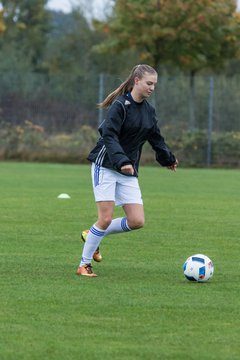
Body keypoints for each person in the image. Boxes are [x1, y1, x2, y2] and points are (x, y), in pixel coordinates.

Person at [76, 64, 178, 277]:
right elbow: (108, 135)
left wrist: (167, 158)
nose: (152, 88)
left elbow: (155, 137)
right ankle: (84, 265)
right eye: (149, 83)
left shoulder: (149, 110)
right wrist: (121, 159)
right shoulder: (121, 106)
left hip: (127, 169)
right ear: (137, 81)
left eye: (155, 85)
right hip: (106, 165)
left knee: (136, 221)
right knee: (104, 218)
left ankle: (93, 235)